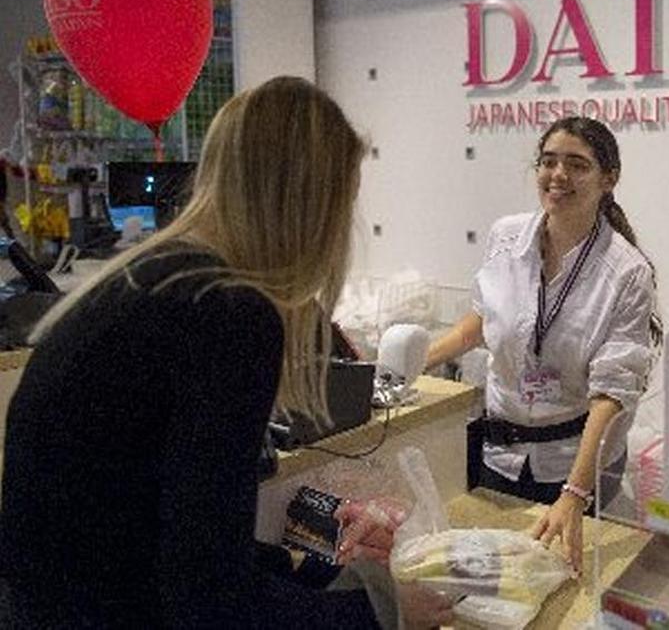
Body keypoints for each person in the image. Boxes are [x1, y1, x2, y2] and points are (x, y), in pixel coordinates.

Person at [0, 76, 452, 628]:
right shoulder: (228, 312)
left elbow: (180, 536)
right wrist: (379, 611)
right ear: (312, 203)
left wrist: (311, 573)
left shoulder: (156, 279)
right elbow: (209, 598)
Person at [425, 116, 662, 574]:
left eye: (577, 164)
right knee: (499, 582)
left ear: (608, 178)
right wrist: (404, 365)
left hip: (576, 463)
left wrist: (574, 494)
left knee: (563, 586)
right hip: (501, 451)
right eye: (549, 161)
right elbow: (482, 321)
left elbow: (611, 394)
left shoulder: (627, 272)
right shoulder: (506, 236)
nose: (558, 175)